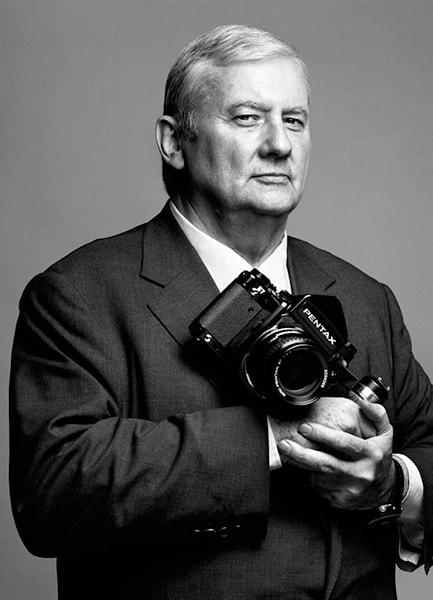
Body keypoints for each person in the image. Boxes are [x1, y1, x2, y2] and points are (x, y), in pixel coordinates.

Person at [9, 24, 433, 599]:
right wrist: (275, 435)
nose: (280, 144)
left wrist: (390, 485)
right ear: (173, 142)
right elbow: (54, 492)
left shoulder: (366, 297)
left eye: (294, 120)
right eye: (247, 117)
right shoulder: (78, 294)